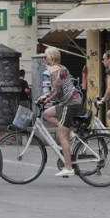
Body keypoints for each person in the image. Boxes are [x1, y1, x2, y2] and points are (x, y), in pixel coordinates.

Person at [36, 47, 83, 177]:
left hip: (71, 104)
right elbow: (55, 90)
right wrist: (44, 97)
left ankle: (68, 167)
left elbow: (56, 91)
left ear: (53, 57)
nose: (44, 59)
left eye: (46, 57)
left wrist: (46, 99)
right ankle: (70, 132)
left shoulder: (57, 70)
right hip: (67, 103)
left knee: (62, 136)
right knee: (47, 114)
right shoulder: (58, 69)